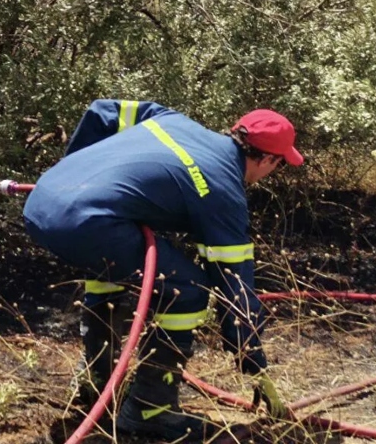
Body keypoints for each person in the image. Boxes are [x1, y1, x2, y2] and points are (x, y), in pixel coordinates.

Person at [23, 99, 302, 441]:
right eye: (280, 164)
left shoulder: (170, 120)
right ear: (270, 159)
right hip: (84, 223)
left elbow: (101, 111)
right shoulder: (224, 192)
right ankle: (149, 409)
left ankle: (98, 384)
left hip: (43, 198)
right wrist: (254, 363)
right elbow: (234, 288)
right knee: (187, 292)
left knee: (110, 272)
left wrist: (78, 176)